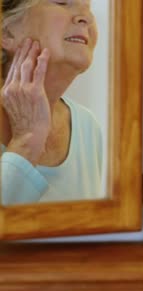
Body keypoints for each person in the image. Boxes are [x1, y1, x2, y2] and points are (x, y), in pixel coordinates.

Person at [0, 0, 102, 205]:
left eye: (88, 8)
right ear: (7, 32)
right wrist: (26, 143)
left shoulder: (87, 127)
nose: (86, 18)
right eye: (62, 2)